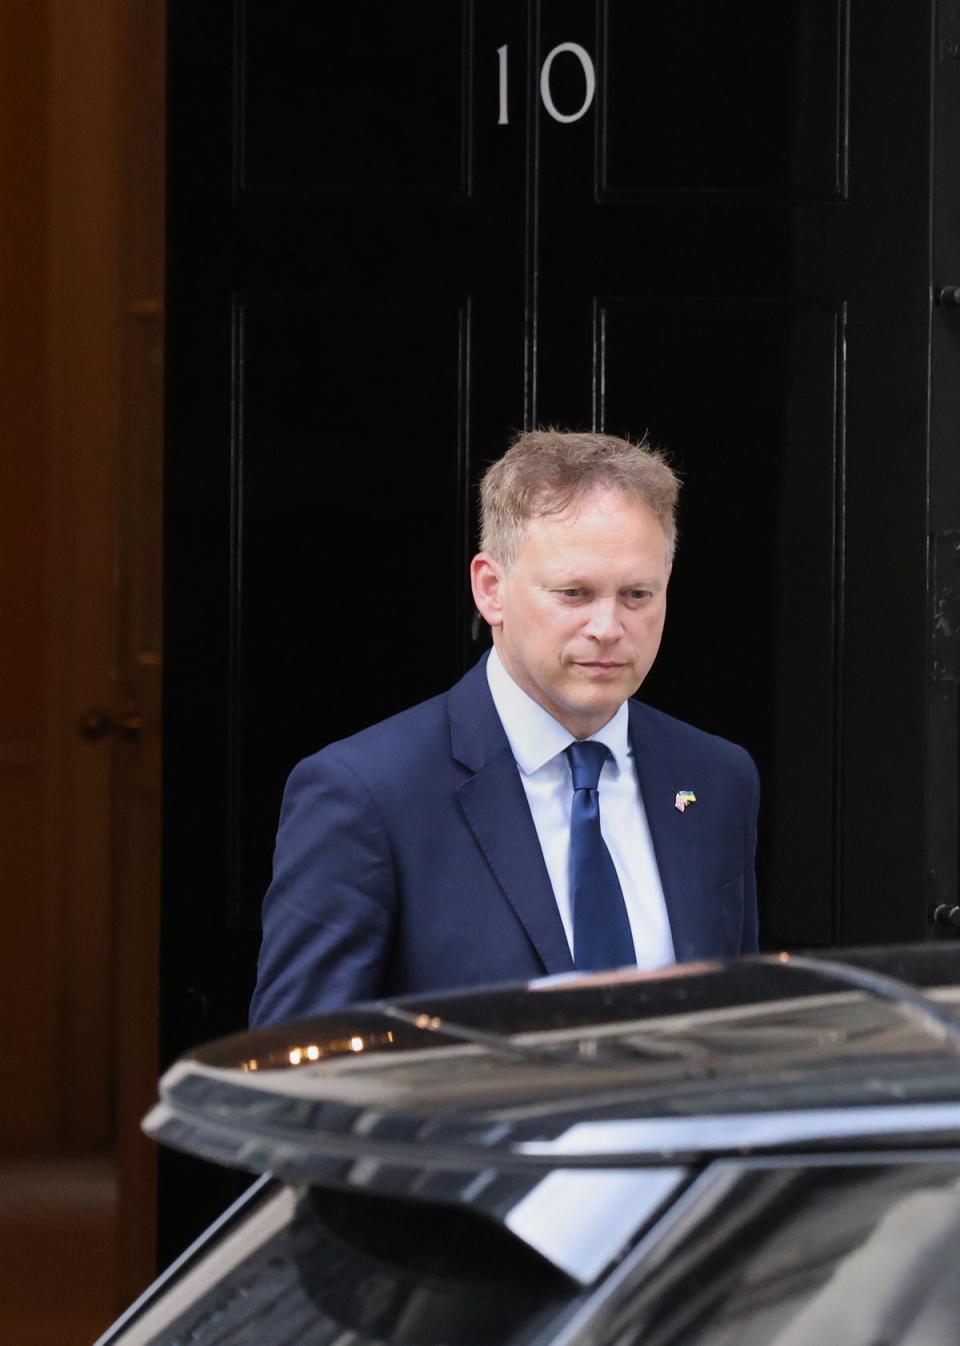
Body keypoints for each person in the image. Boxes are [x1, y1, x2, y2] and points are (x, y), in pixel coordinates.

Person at [250, 429, 758, 1026]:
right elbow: (299, 1063)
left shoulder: (716, 779)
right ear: (490, 589)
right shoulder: (368, 796)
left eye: (637, 594)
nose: (608, 625)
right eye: (574, 592)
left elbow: (740, 1031)